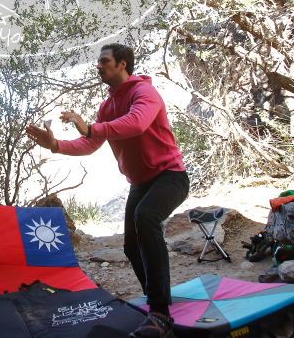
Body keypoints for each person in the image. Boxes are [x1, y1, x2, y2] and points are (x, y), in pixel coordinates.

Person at [26, 44, 188, 338]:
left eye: (104, 61)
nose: (98, 66)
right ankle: (155, 302)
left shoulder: (144, 93)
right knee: (131, 245)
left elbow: (136, 124)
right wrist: (56, 145)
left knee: (147, 218)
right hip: (140, 183)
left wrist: (90, 128)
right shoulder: (107, 107)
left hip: (170, 176)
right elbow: (90, 143)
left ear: (122, 63)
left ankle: (161, 313)